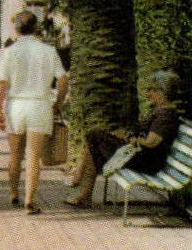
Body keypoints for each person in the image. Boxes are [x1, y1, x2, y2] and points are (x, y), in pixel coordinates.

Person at [66, 70, 182, 208]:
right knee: (93, 143)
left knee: (94, 136)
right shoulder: (161, 111)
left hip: (146, 162)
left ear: (163, 92)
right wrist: (128, 135)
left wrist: (133, 139)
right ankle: (82, 193)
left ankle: (78, 182)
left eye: (152, 89)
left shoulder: (165, 115)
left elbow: (152, 142)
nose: (148, 93)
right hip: (142, 157)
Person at [0, 10, 69, 214]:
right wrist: (59, 102)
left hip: (16, 105)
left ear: (16, 28)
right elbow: (63, 79)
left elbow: (1, 83)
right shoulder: (48, 51)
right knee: (33, 155)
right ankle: (29, 200)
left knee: (15, 154)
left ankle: (13, 193)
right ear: (36, 28)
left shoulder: (9, 52)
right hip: (39, 104)